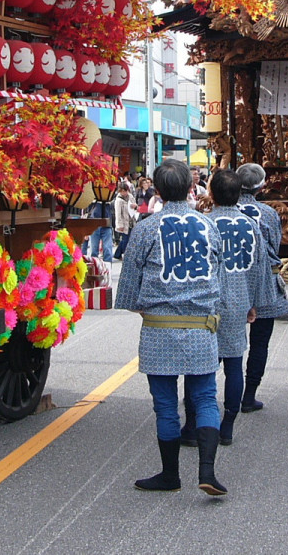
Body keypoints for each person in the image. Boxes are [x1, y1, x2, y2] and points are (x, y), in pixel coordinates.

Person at [115, 159, 227, 496]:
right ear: (190, 188)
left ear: (158, 191)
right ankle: (207, 471)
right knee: (206, 398)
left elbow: (129, 286)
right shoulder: (208, 226)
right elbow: (218, 276)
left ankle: (170, 474)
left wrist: (144, 306)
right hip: (201, 327)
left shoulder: (147, 228)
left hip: (159, 329)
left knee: (165, 405)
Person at [204, 169, 265, 445]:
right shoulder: (250, 224)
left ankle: (199, 420)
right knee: (234, 364)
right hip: (239, 299)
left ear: (212, 194)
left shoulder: (203, 223)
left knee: (204, 366)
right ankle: (228, 423)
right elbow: (258, 267)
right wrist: (253, 303)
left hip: (207, 301)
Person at [235, 162, 288, 412]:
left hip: (233, 280)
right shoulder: (268, 213)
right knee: (260, 342)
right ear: (262, 186)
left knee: (227, 340)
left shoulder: (226, 210)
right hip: (265, 280)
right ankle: (249, 395)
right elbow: (276, 244)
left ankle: (223, 391)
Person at [112, 180, 138, 260]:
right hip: (124, 222)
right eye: (122, 191)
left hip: (131, 220)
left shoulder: (130, 196)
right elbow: (118, 213)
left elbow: (135, 206)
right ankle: (122, 254)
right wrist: (119, 225)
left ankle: (118, 253)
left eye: (125, 191)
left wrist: (135, 206)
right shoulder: (118, 200)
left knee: (129, 239)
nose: (124, 193)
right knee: (125, 239)